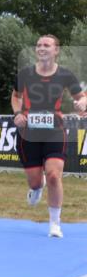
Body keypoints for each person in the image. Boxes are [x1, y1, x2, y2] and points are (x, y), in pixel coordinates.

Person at [11, 34, 87, 239]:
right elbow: (15, 97)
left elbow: (81, 97)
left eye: (47, 45)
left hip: (55, 130)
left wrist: (82, 104)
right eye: (38, 45)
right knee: (36, 182)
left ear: (56, 51)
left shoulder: (65, 75)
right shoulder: (25, 74)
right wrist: (17, 114)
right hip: (28, 133)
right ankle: (37, 187)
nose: (42, 48)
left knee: (54, 175)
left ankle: (55, 224)